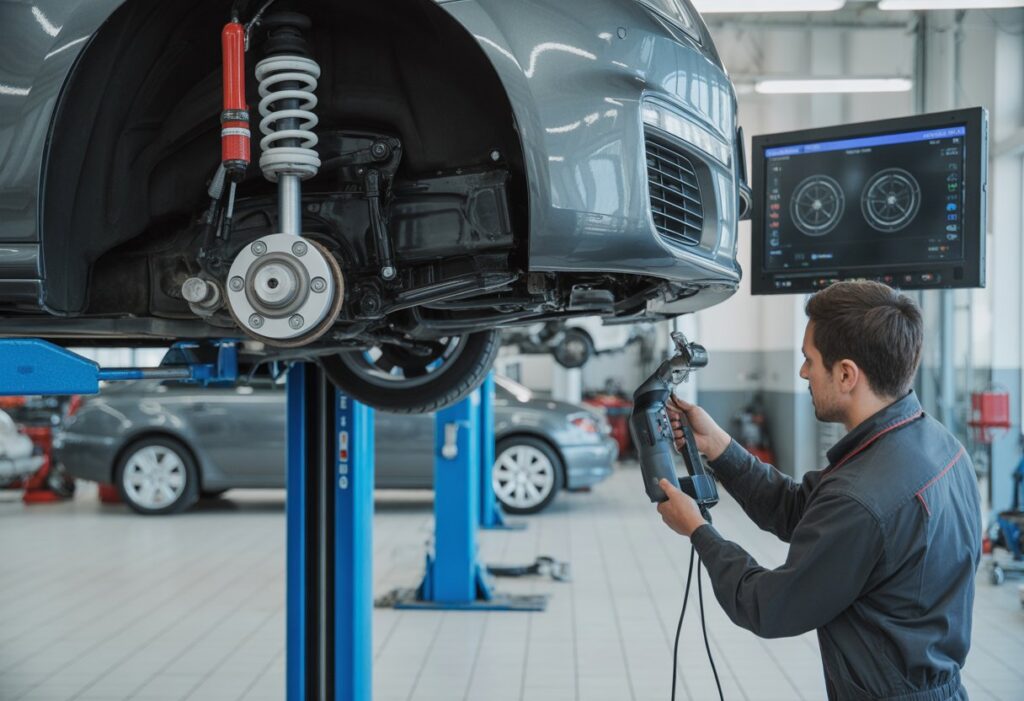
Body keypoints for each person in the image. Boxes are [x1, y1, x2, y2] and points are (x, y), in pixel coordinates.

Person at [656, 280, 980, 701]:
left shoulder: (862, 496)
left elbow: (769, 607)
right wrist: (719, 447)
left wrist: (698, 530)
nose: (803, 372)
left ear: (846, 374)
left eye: (810, 360)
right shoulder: (937, 444)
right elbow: (800, 510)